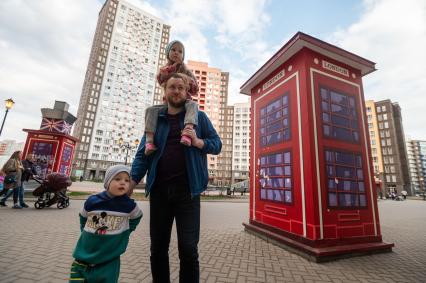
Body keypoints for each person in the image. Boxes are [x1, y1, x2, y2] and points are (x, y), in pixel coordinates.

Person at [130, 73, 222, 283]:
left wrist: (199, 142)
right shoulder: (155, 120)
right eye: (172, 87)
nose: (177, 91)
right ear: (165, 91)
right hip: (160, 192)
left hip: (188, 192)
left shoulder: (199, 117)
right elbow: (142, 155)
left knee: (189, 249)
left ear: (186, 91)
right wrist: (131, 182)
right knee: (158, 248)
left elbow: (217, 144)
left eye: (181, 87)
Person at [69, 165, 142, 283]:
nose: (123, 183)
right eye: (117, 179)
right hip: (83, 257)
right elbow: (83, 216)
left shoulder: (129, 205)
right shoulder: (93, 201)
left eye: (127, 180)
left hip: (110, 259)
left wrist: (127, 230)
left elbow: (137, 216)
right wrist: (85, 229)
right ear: (108, 182)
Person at [144, 40, 199, 155]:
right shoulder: (165, 69)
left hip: (185, 103)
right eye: (173, 50)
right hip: (168, 105)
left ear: (183, 56)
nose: (176, 53)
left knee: (193, 105)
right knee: (150, 110)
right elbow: (160, 79)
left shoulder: (187, 71)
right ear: (168, 52)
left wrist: (186, 78)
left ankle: (187, 132)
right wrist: (174, 67)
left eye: (180, 51)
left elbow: (195, 90)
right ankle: (149, 141)